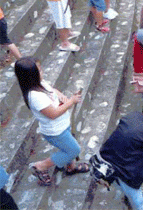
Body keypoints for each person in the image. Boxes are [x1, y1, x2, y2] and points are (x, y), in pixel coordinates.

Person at [14, 57, 88, 186]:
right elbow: (53, 114)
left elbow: (52, 90)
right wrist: (70, 101)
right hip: (56, 131)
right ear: (30, 76)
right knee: (73, 150)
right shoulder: (35, 96)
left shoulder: (40, 83)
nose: (42, 72)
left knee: (68, 147)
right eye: (39, 71)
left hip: (62, 125)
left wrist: (61, 96)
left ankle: (71, 167)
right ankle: (41, 166)